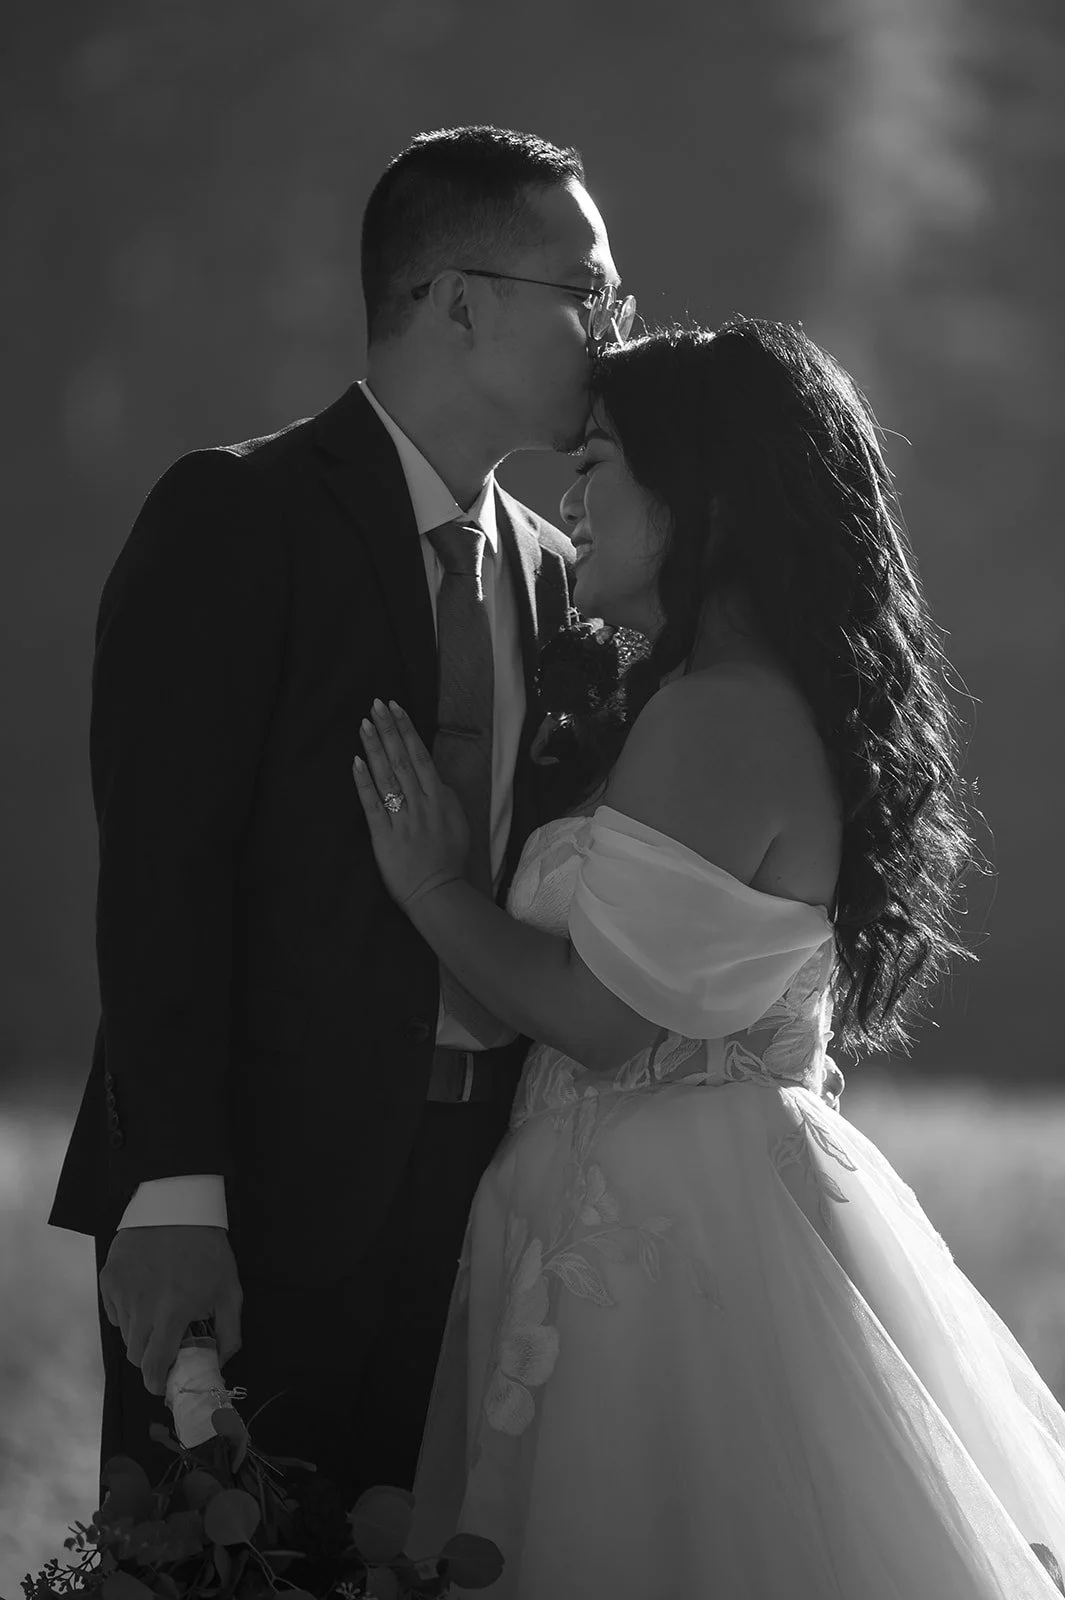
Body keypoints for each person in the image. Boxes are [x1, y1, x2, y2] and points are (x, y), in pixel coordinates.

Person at [351, 320, 1065, 1597]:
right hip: (644, 1213)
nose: (572, 500)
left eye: (605, 464)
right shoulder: (713, 696)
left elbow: (599, 1017)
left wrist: (432, 881)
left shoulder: (720, 712)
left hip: (669, 1252)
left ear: (706, 503)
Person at [47, 123, 638, 1510]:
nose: (616, 337)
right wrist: (176, 1186)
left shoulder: (564, 578)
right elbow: (159, 874)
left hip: (480, 1213)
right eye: (590, 296)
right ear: (459, 301)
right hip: (247, 1201)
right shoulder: (233, 516)